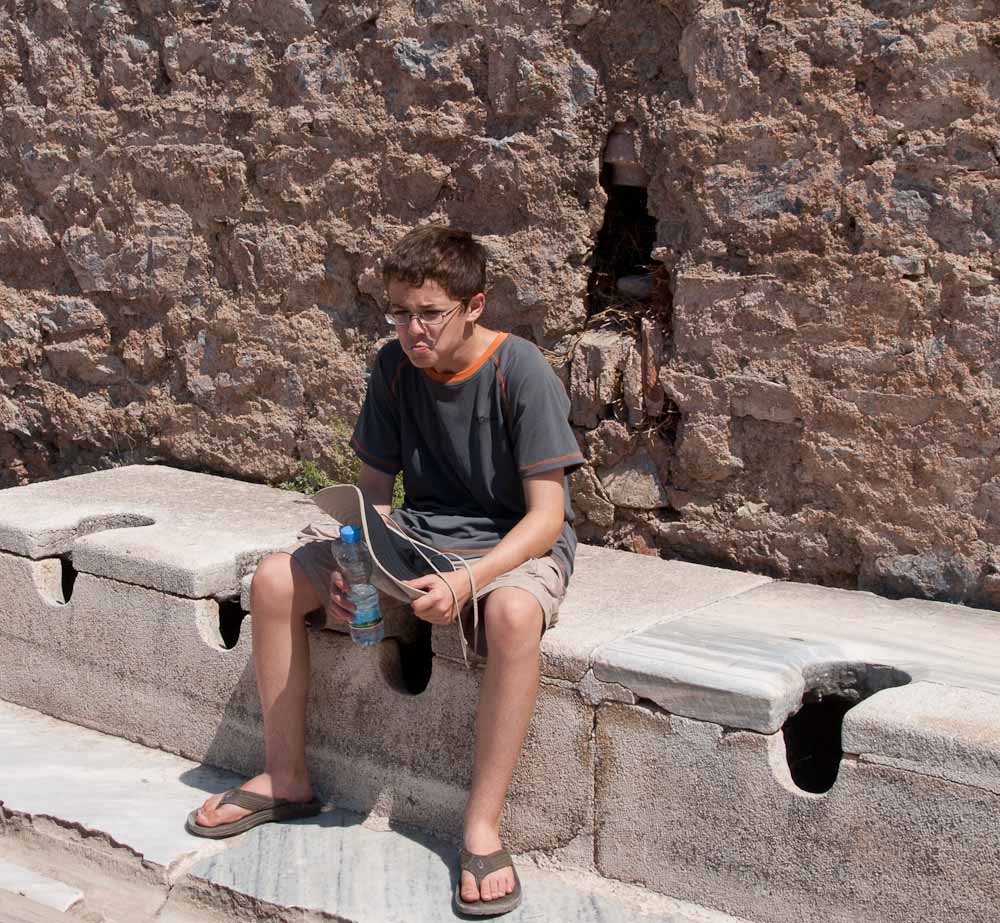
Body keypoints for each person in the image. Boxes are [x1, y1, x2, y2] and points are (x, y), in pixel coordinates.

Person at [187, 225, 584, 915]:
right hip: (418, 538)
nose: (411, 329)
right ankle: (286, 778)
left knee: (513, 614)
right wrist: (357, 568)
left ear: (474, 306)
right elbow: (372, 496)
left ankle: (481, 826)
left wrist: (468, 581)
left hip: (510, 545)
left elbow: (547, 518)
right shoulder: (394, 366)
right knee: (276, 579)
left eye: (429, 313)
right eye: (400, 313)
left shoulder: (520, 371)